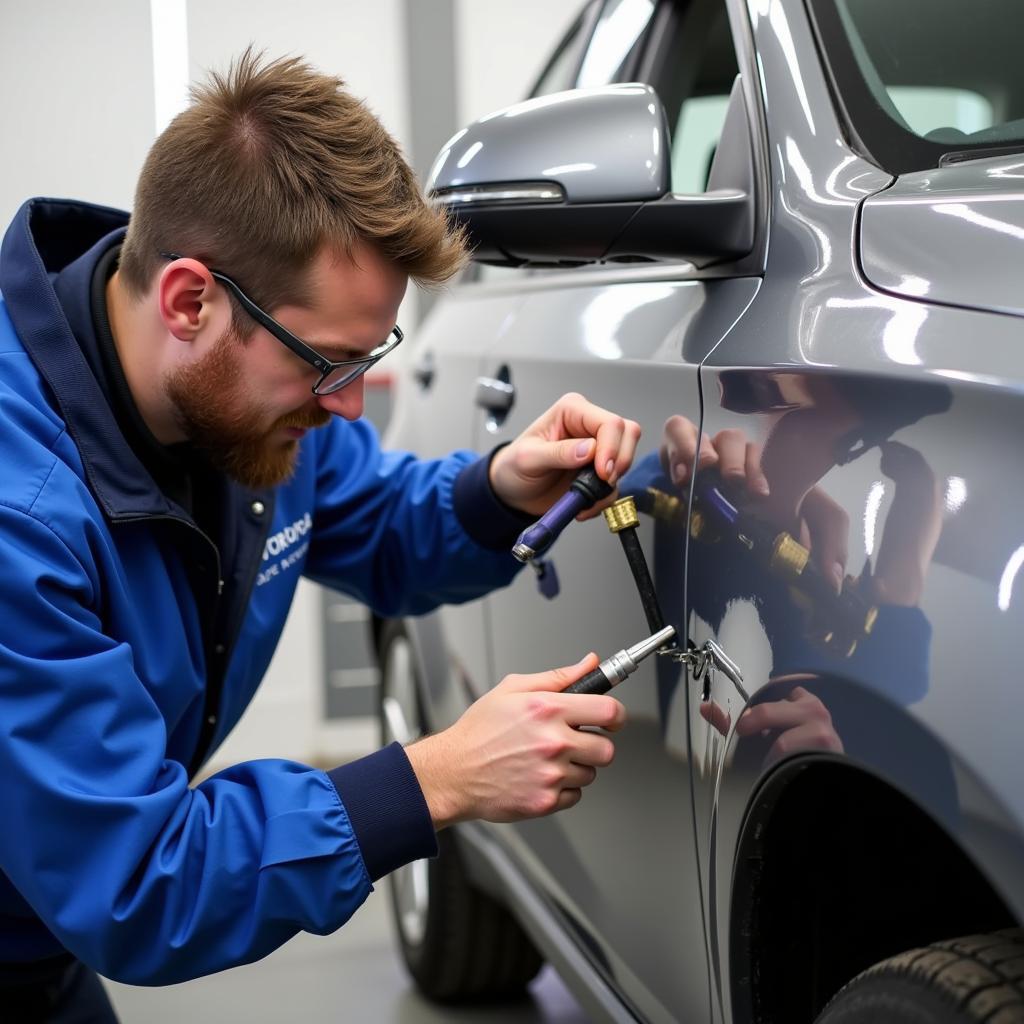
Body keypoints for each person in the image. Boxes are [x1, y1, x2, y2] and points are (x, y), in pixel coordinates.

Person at [0, 50, 641, 1020]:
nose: (346, 405)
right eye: (327, 361)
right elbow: (136, 878)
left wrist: (502, 490)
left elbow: (375, 516)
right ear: (189, 300)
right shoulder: (21, 518)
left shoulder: (235, 401)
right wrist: (436, 777)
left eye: (366, 357)